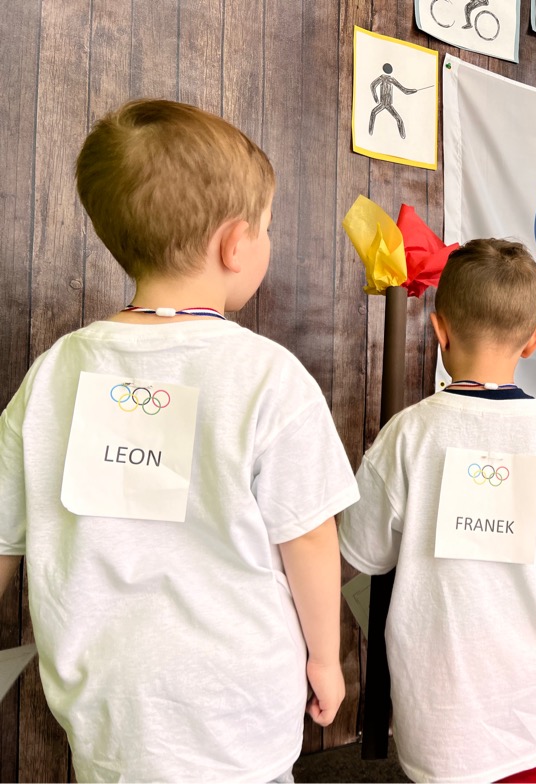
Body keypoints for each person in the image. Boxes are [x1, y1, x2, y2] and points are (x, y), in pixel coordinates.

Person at [0, 99, 358, 781]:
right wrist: (323, 657)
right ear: (234, 244)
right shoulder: (268, 375)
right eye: (267, 228)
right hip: (239, 710)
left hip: (105, 713)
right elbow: (310, 537)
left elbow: (2, 537)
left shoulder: (54, 373)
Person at [339, 238, 536, 783]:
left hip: (439, 713)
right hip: (529, 707)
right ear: (534, 340)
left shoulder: (409, 434)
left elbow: (363, 551)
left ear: (439, 330)